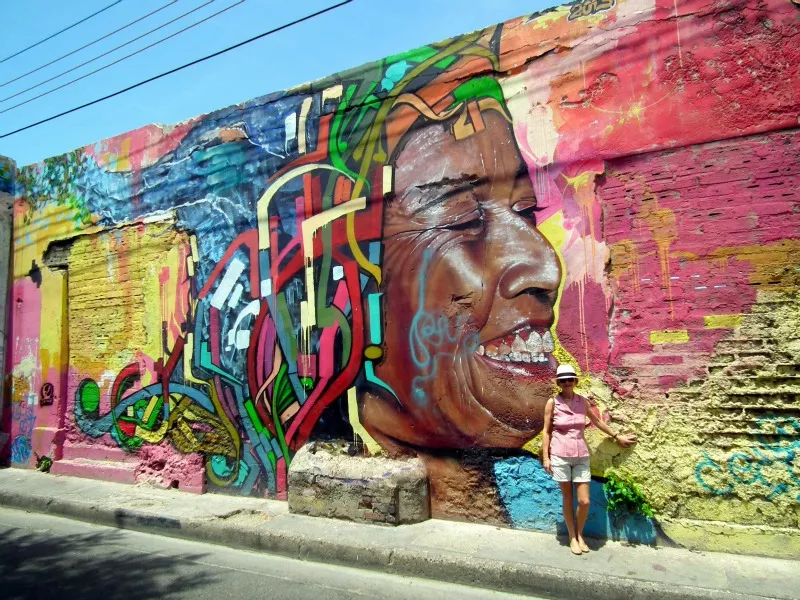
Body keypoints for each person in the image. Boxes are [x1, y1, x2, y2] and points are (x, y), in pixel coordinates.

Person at [542, 364, 637, 555]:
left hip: (581, 455)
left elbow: (598, 421)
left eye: (570, 379)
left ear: (575, 381)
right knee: (568, 498)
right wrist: (546, 457)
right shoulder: (552, 403)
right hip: (560, 455)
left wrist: (617, 436)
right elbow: (546, 431)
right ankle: (572, 537)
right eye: (563, 380)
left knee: (584, 501)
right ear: (559, 383)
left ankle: (580, 534)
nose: (567, 383)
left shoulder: (582, 402)